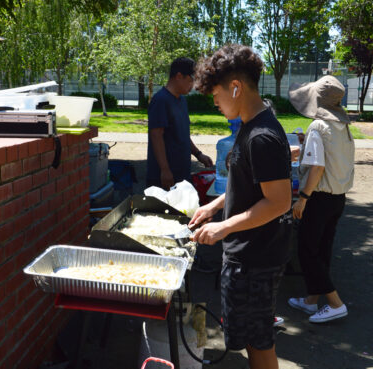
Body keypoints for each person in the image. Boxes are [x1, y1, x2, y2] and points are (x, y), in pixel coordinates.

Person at [190, 44, 293, 369]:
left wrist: (224, 227)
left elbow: (279, 202)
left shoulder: (262, 135)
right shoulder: (250, 126)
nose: (215, 104)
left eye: (217, 96)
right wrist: (215, 207)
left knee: (258, 340)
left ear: (235, 88)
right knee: (251, 336)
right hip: (247, 254)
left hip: (255, 258)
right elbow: (246, 185)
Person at [287, 75, 354, 323]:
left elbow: (316, 167)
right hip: (338, 198)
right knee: (322, 248)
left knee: (306, 250)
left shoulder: (318, 126)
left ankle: (335, 303)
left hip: (318, 198)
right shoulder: (341, 125)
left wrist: (303, 198)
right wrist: (307, 146)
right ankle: (312, 300)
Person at [147, 57, 213, 189]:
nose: (193, 86)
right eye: (191, 80)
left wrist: (198, 154)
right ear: (179, 76)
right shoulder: (161, 100)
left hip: (181, 174)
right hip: (164, 177)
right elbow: (156, 136)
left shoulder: (181, 100)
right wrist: (165, 170)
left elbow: (182, 134)